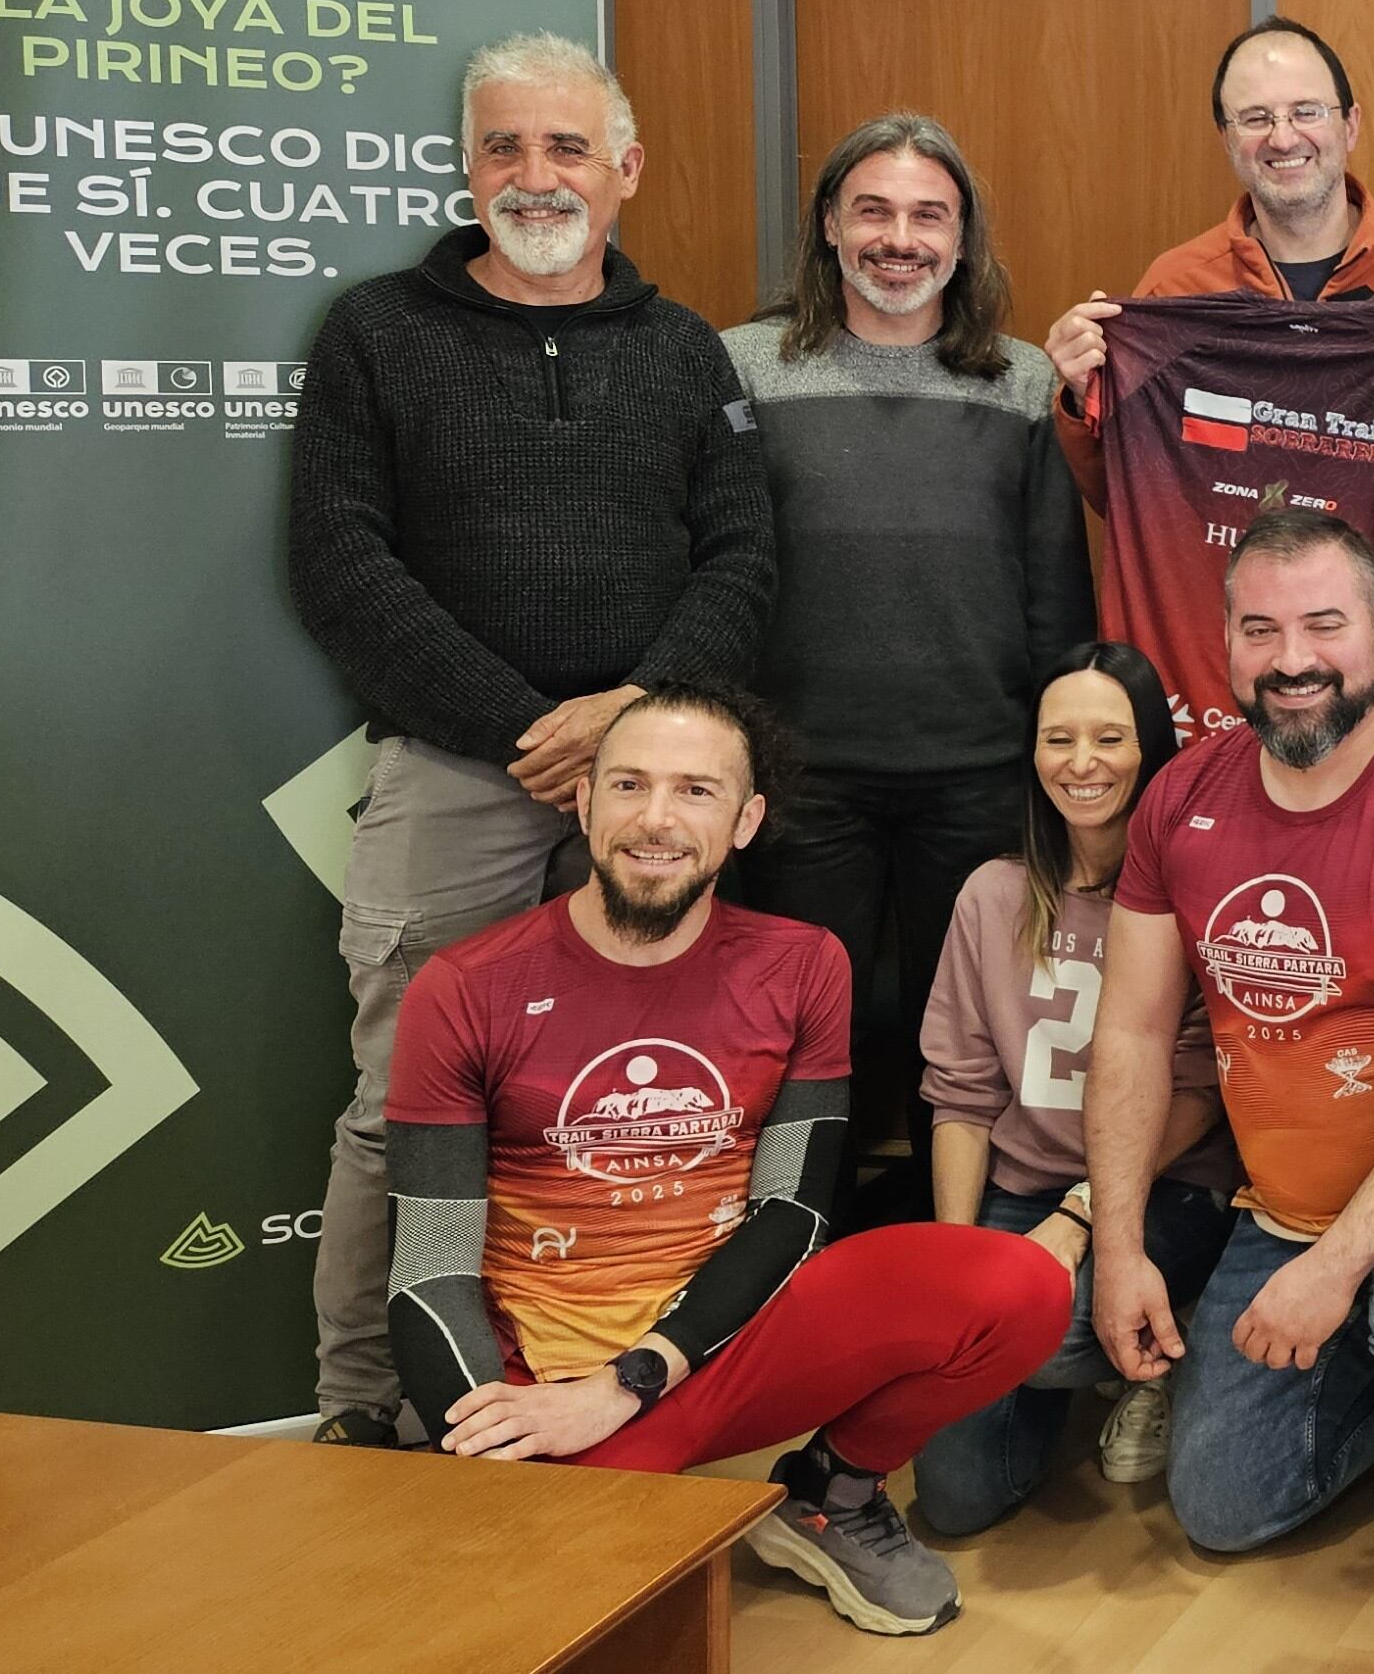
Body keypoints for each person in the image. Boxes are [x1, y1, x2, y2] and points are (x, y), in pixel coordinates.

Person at [289, 31, 774, 1446]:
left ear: (625, 170)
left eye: (566, 145)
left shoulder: (685, 351)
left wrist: (633, 721)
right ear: (466, 166)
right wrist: (526, 730)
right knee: (398, 1106)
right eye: (503, 145)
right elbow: (340, 563)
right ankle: (362, 1409)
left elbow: (745, 557)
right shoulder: (376, 332)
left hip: (656, 785)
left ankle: (611, 1395)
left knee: (641, 1104)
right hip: (455, 772)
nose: (534, 173)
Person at [382, 683, 1067, 1637]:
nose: (656, 819)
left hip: (716, 1348)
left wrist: (632, 1381)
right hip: (550, 1384)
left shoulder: (803, 964)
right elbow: (428, 1271)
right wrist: (493, 1442)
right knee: (565, 1615)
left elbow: (794, 1215)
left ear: (745, 822)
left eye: (696, 791)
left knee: (1021, 1285)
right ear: (584, 801)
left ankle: (829, 1495)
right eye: (630, 784)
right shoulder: (466, 987)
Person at [1078, 506, 1374, 1632]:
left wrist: (1339, 1266)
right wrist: (1119, 1249)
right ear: (1227, 642)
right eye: (1260, 629)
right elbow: (1133, 1035)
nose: (1291, 658)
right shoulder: (1180, 797)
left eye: (1324, 624)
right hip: (1280, 1206)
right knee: (1221, 1508)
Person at [725, 112, 1092, 1218]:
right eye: (873, 210)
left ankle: (959, 1259)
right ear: (828, 226)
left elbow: (1055, 591)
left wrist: (1055, 764)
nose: (900, 238)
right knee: (802, 1041)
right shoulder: (742, 366)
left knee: (974, 1040)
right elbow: (715, 568)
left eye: (928, 215)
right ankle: (796, 1251)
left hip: (978, 776)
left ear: (962, 239)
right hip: (796, 779)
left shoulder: (1023, 382)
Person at [1043, 19, 1374, 729]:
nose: (1283, 137)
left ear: (1350, 124)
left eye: (1305, 111)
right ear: (1227, 138)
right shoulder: (1175, 287)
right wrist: (1082, 400)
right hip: (1234, 689)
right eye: (1255, 118)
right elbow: (1140, 500)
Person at [910, 640, 1242, 1535]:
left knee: (1047, 1333)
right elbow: (961, 1093)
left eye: (1109, 738)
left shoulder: (1191, 891)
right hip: (1020, 1189)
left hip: (1161, 1189)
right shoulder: (991, 894)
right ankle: (1098, 1356)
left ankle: (1164, 1342)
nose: (1082, 763)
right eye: (1059, 739)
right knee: (953, 1498)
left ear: (1151, 749)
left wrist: (1080, 1216)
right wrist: (957, 1259)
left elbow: (1199, 1089)